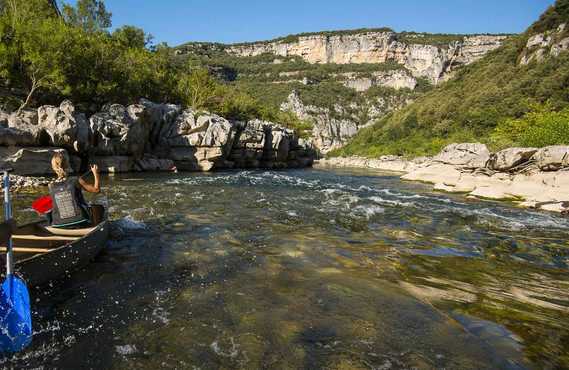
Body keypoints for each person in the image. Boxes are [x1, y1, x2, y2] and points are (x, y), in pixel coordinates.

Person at [48, 153, 100, 229]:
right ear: (67, 165)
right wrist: (96, 173)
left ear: (53, 167)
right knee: (96, 207)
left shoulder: (51, 185)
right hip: (80, 221)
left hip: (58, 224)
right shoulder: (76, 180)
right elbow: (96, 190)